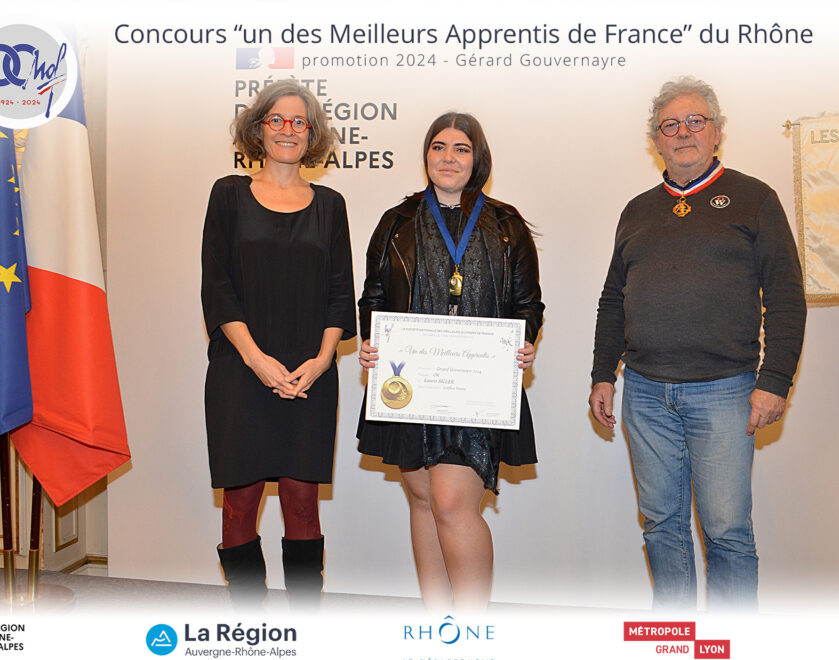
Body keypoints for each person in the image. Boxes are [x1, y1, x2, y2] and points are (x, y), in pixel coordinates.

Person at [589, 76, 806, 610]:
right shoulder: (636, 211)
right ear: (656, 141)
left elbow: (786, 296)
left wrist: (774, 381)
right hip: (644, 393)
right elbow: (612, 300)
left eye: (694, 122)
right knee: (661, 526)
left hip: (726, 392)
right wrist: (601, 373)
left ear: (716, 133)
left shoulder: (756, 199)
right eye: (670, 125)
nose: (682, 132)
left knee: (727, 531)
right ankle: (675, 643)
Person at [357, 112, 543, 613]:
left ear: (477, 157)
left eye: (460, 148)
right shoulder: (397, 221)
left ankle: (474, 628)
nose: (448, 157)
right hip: (410, 382)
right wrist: (371, 342)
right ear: (426, 156)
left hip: (476, 387)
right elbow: (373, 296)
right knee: (422, 501)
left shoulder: (506, 224)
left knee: (451, 502)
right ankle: (438, 623)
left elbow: (529, 305)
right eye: (438, 147)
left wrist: (523, 344)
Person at [201, 80, 356, 608]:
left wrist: (320, 361)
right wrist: (257, 360)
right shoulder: (227, 194)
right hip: (241, 367)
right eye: (278, 120)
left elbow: (341, 293)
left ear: (312, 134)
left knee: (302, 500)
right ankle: (251, 624)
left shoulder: (331, 205)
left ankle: (303, 624)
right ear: (258, 128)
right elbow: (217, 288)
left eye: (300, 122)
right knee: (240, 504)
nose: (288, 130)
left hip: (310, 372)